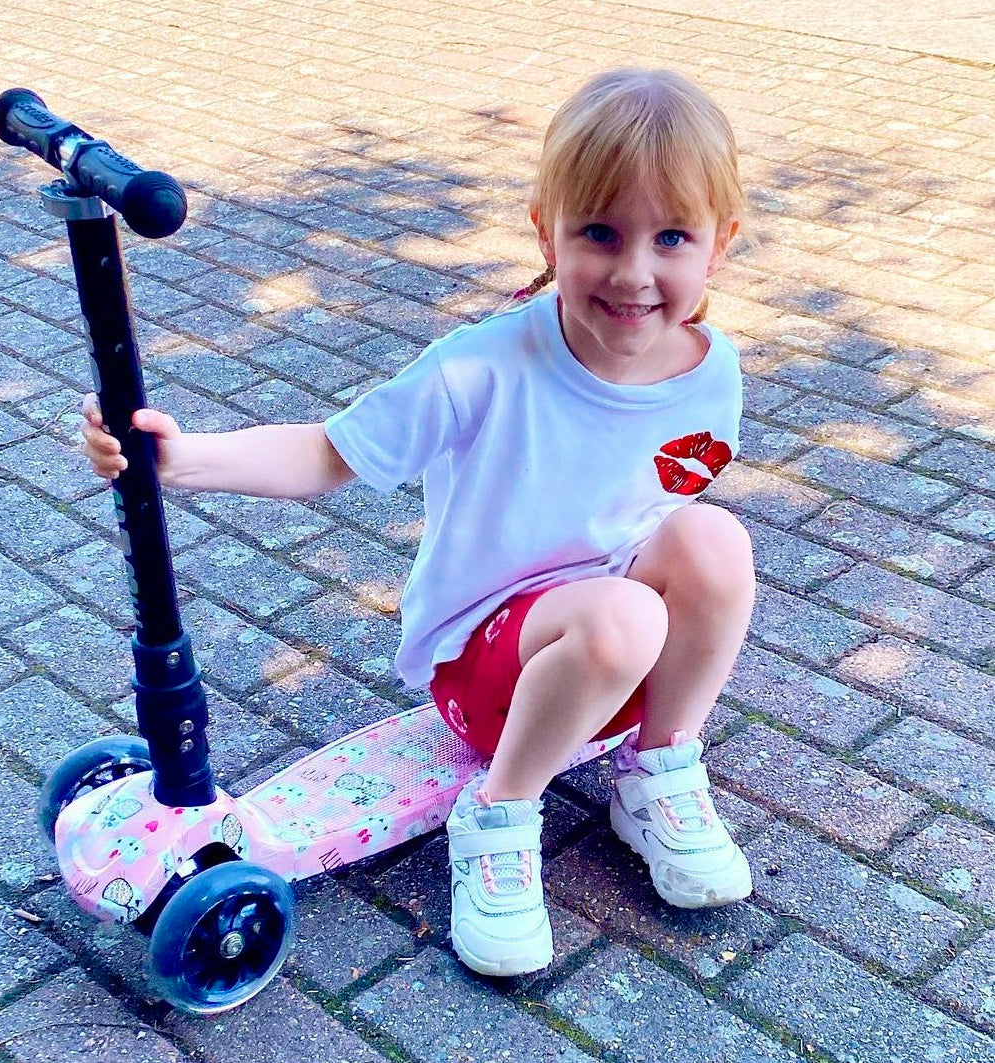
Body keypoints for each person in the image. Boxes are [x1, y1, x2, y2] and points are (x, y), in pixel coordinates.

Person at [81, 67, 756, 979]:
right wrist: (181, 459)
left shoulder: (712, 372)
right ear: (546, 234)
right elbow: (329, 453)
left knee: (716, 541)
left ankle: (658, 768)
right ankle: (499, 813)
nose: (634, 272)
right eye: (600, 232)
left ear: (720, 245)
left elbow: (655, 515)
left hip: (603, 660)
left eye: (671, 236)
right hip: (484, 672)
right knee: (623, 616)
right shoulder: (482, 367)